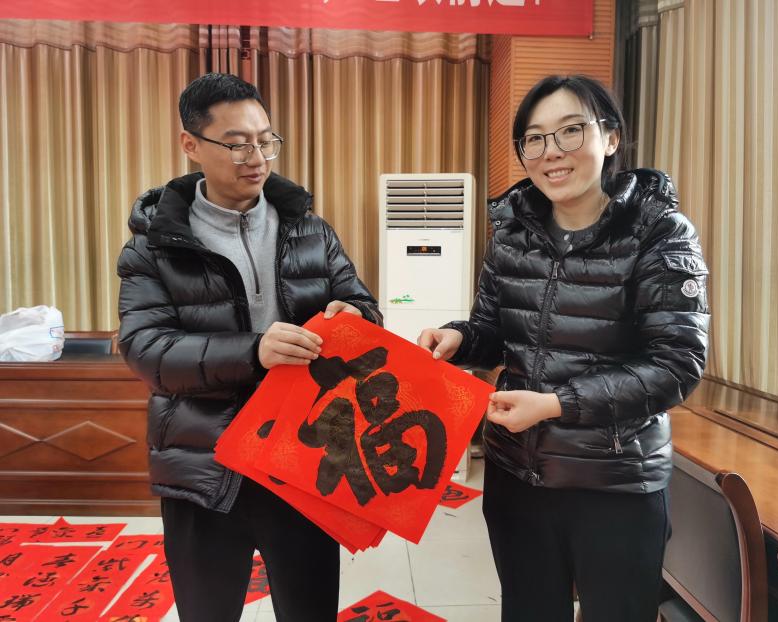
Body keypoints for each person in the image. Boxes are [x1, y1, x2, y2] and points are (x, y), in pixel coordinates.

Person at [418, 75, 709, 622]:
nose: (551, 152)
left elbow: (676, 365)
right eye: (535, 138)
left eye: (570, 131)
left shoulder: (659, 233)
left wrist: (556, 405)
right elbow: (493, 328)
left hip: (615, 483)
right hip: (517, 474)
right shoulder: (511, 233)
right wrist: (460, 338)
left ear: (611, 138)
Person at [117, 72, 381, 622]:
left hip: (304, 460)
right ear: (191, 144)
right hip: (204, 467)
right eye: (237, 143)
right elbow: (148, 350)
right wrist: (253, 352)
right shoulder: (154, 247)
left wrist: (356, 318)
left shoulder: (311, 230)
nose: (256, 157)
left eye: (265, 140)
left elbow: (363, 305)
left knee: (310, 609)